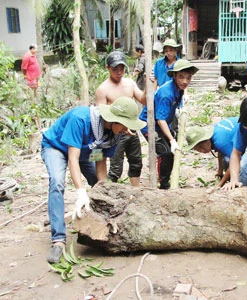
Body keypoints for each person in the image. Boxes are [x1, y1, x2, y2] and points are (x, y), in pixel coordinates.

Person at [41, 97, 146, 263]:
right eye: (124, 124)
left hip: (85, 152)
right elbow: (72, 159)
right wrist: (80, 192)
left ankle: (101, 222)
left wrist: (102, 189)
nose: (127, 130)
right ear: (113, 119)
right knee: (57, 182)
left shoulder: (115, 134)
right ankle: (58, 239)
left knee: (99, 185)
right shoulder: (80, 119)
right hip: (57, 147)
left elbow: (100, 161)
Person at [139, 59, 199, 189]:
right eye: (181, 77)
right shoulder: (166, 93)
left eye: (188, 78)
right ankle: (164, 185)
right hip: (149, 124)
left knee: (172, 153)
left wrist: (181, 108)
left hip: (163, 123)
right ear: (174, 76)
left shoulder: (179, 88)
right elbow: (160, 119)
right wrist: (171, 140)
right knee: (165, 152)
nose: (185, 81)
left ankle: (167, 178)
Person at [95, 51, 146, 186]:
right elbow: (99, 116)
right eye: (115, 69)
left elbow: (143, 99)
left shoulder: (130, 83)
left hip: (131, 129)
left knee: (136, 162)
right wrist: (119, 127)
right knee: (115, 167)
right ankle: (109, 191)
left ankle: (136, 193)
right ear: (108, 68)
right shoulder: (103, 89)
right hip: (114, 132)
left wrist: (148, 85)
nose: (119, 72)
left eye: (121, 68)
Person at [184, 117, 247, 188]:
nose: (202, 151)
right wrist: (220, 172)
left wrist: (220, 185)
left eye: (202, 147)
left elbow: (236, 161)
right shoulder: (215, 137)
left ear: (207, 139)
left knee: (243, 167)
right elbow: (221, 153)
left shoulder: (220, 141)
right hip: (241, 138)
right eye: (198, 149)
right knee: (226, 160)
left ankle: (243, 188)